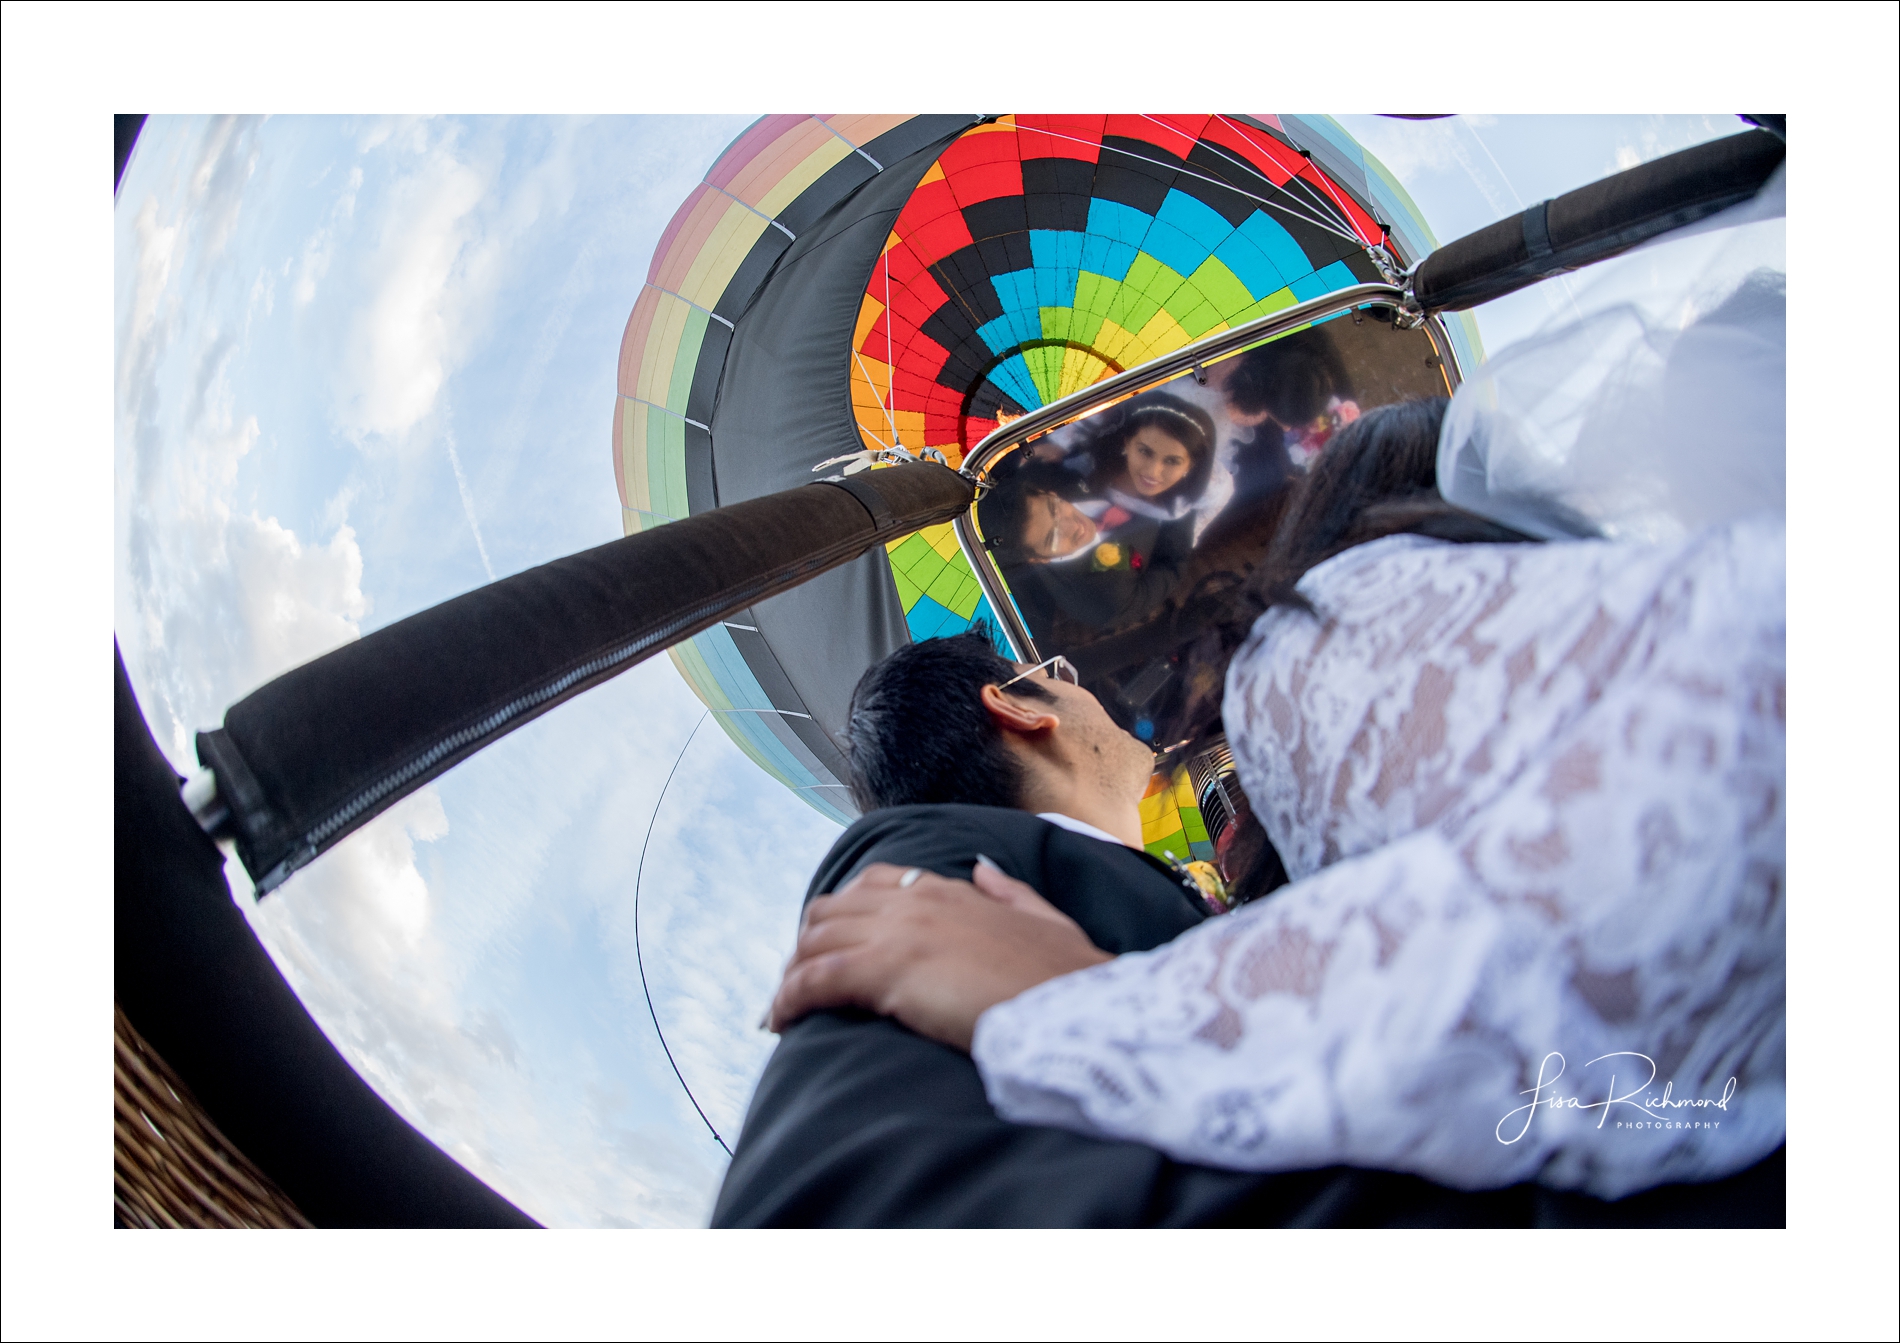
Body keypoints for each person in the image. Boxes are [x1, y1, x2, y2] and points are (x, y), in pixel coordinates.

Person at [768, 398, 1785, 1207]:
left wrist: (1113, 1016)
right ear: (1015, 703)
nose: (1091, 686)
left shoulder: (1162, 889)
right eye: (1061, 670)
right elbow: (861, 1200)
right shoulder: (926, 870)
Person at [975, 461, 1192, 643]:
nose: (1072, 526)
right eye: (1053, 538)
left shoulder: (1051, 472)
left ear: (1047, 492)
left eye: (1055, 510)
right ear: (1038, 559)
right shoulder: (1105, 601)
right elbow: (1174, 563)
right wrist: (1181, 492)